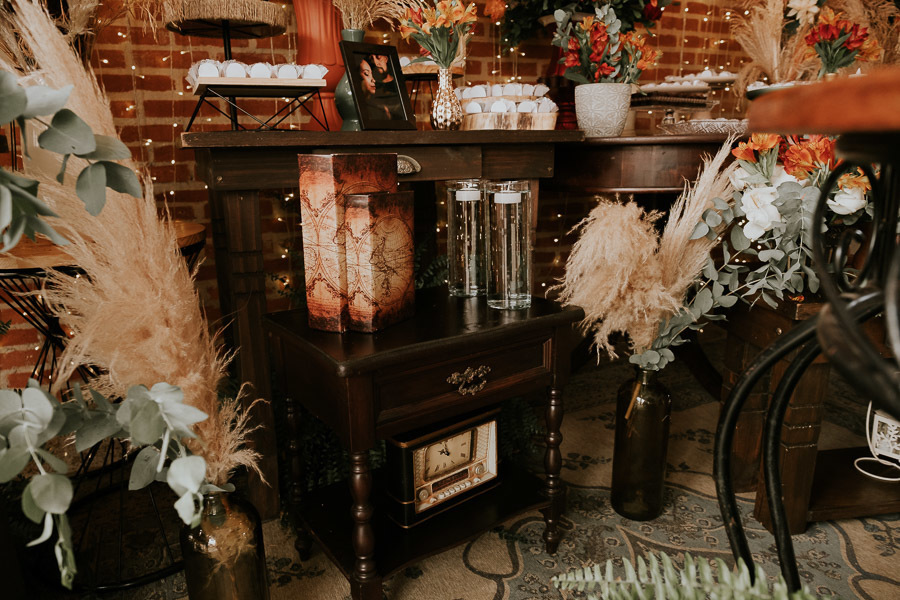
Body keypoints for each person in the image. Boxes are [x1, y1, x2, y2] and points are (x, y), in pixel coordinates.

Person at [357, 56, 404, 121]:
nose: (376, 63)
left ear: (386, 58)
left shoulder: (398, 85)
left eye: (378, 58)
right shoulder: (371, 94)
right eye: (372, 59)